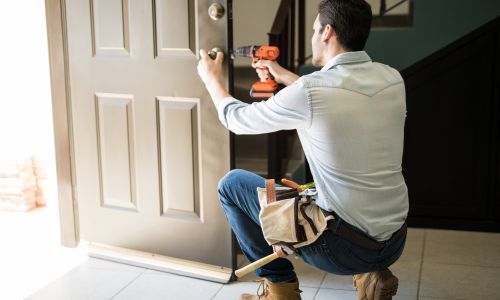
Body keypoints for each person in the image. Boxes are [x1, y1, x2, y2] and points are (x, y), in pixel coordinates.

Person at [197, 0, 408, 299]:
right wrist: (283, 76)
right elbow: (335, 99)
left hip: (341, 248)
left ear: (327, 32)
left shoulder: (310, 91)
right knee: (333, 190)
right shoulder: (392, 79)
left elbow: (236, 119)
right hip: (394, 241)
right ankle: (372, 274)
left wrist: (211, 79)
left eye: (313, 30)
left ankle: (280, 289)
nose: (312, 36)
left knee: (231, 185)